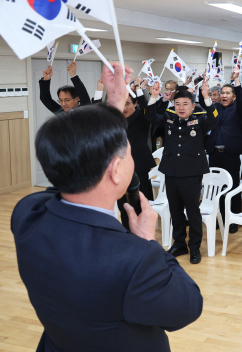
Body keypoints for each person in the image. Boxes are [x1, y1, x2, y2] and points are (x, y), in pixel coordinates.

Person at [12, 62, 203, 351]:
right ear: (116, 171)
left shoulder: (28, 215)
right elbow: (188, 306)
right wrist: (149, 243)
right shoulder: (132, 258)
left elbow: (69, 165)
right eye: (128, 154)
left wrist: (113, 104)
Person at [145, 80, 217, 264]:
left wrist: (206, 97)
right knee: (175, 209)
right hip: (171, 170)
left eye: (185, 104)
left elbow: (214, 118)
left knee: (192, 211)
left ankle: (194, 247)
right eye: (177, 104)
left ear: (193, 106)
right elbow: (150, 116)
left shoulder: (200, 120)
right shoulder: (169, 119)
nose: (181, 107)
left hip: (192, 172)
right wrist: (154, 95)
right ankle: (179, 243)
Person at [204, 68, 242, 233]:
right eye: (222, 92)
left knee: (232, 186)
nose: (224, 95)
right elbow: (210, 113)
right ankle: (219, 218)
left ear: (233, 96)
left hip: (230, 154)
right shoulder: (216, 108)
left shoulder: (238, 109)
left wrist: (237, 82)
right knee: (217, 187)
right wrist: (205, 95)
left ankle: (233, 219)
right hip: (214, 153)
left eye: (228, 93)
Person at [118, 82, 155, 229]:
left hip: (138, 165)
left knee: (140, 202)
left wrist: (139, 89)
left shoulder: (142, 117)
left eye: (127, 103)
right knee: (123, 204)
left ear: (135, 104)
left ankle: (141, 235)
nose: (124, 107)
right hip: (120, 166)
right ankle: (127, 233)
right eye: (122, 104)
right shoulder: (116, 120)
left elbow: (148, 109)